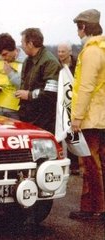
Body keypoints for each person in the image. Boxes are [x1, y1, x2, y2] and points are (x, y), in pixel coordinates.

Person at [69, 9, 105, 221]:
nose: (77, 31)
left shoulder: (91, 51)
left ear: (83, 27)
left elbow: (85, 87)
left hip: (91, 116)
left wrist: (77, 117)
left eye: (78, 27)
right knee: (100, 161)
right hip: (102, 115)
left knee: (90, 163)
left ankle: (95, 208)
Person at [15, 28, 62, 134]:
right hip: (28, 115)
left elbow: (50, 93)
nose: (21, 45)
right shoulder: (28, 60)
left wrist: (29, 95)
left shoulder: (50, 62)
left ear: (30, 44)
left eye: (22, 42)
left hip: (43, 119)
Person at [0, 33, 26, 119]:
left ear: (14, 49)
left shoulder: (25, 61)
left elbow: (26, 86)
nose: (3, 58)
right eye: (0, 54)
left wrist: (10, 73)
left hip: (15, 111)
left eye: (5, 54)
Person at [57, 41, 80, 175]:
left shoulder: (77, 64)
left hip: (74, 101)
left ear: (70, 52)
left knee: (73, 134)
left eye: (63, 51)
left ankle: (75, 164)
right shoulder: (57, 65)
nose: (60, 54)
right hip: (62, 102)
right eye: (59, 51)